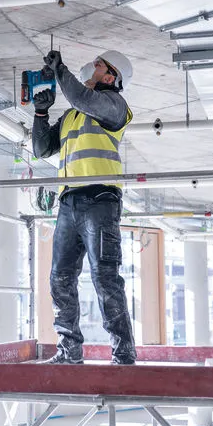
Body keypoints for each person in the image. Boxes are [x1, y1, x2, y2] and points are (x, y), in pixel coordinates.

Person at [32, 49, 137, 365]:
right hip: (69, 204)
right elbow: (41, 149)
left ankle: (124, 353)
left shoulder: (114, 107)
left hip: (100, 200)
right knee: (60, 278)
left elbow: (82, 98)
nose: (94, 65)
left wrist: (60, 69)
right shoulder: (72, 116)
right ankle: (68, 351)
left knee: (105, 277)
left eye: (100, 64)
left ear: (110, 77)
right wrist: (40, 113)